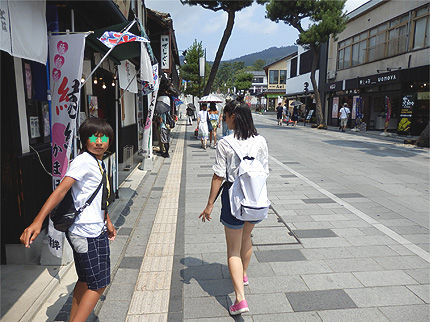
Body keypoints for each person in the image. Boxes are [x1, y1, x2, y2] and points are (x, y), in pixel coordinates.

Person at [20, 118, 117, 322]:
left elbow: (94, 197)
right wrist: (38, 221)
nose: (99, 141)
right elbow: (61, 190)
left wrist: (107, 221)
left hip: (94, 229)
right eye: (93, 136)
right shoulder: (83, 161)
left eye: (104, 137)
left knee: (85, 281)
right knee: (99, 283)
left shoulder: (96, 162)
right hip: (85, 233)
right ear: (84, 139)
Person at [199, 100, 269, 316]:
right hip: (255, 198)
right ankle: (244, 275)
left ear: (232, 117)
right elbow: (265, 170)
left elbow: (218, 176)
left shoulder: (225, 143)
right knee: (247, 237)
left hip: (233, 198)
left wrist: (209, 204)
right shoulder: (260, 141)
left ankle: (239, 299)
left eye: (226, 115)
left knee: (232, 249)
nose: (224, 119)